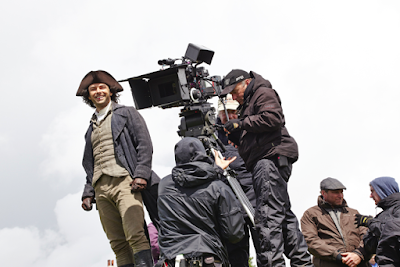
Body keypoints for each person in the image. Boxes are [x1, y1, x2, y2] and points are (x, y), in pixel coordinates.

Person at [221, 69, 312, 267]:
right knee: (284, 215)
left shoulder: (262, 92)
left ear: (246, 82)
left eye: (234, 91)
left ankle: (273, 264)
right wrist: (240, 136)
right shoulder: (251, 100)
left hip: (269, 159)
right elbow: (260, 127)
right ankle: (302, 262)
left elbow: (272, 118)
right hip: (270, 159)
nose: (233, 96)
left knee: (267, 216)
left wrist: (242, 124)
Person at [76, 70, 159, 267]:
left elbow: (144, 145)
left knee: (135, 234)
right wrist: (88, 192)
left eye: (102, 87)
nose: (98, 92)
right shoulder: (91, 127)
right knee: (117, 243)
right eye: (93, 89)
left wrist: (141, 174)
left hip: (126, 182)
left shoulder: (126, 113)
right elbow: (91, 163)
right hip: (101, 189)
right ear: (88, 95)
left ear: (110, 91)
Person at [157, 137, 245, 267]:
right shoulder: (218, 187)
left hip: (171, 260)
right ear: (202, 154)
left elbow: (190, 179)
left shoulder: (163, 186)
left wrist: (216, 171)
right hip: (208, 259)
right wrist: (217, 171)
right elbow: (234, 234)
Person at [217, 94, 260, 267]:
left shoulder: (251, 128)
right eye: (225, 112)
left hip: (254, 194)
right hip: (229, 199)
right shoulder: (212, 136)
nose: (229, 116)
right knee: (235, 251)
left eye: (233, 111)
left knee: (264, 244)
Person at [301, 177, 370, 267]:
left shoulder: (353, 213)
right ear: (323, 193)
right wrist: (337, 255)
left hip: (358, 263)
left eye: (341, 192)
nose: (340, 195)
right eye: (336, 192)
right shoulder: (311, 214)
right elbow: (311, 241)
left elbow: (366, 235)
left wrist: (358, 254)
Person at [355, 176, 400, 266]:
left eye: (372, 191)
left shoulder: (398, 209)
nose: (370, 196)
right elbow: (372, 245)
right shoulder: (383, 214)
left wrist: (370, 222)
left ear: (383, 190)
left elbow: (393, 231)